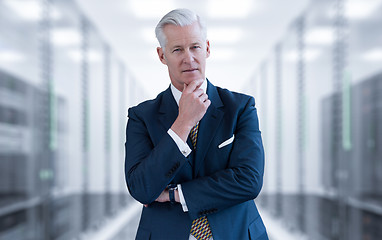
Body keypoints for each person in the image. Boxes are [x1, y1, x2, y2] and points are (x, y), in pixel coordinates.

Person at [125, 8, 268, 240]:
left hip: (236, 233)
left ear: (207, 48)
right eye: (177, 50)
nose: (189, 58)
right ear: (162, 56)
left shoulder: (240, 108)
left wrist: (174, 194)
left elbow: (249, 181)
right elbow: (142, 188)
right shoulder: (142, 116)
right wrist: (183, 123)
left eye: (195, 47)